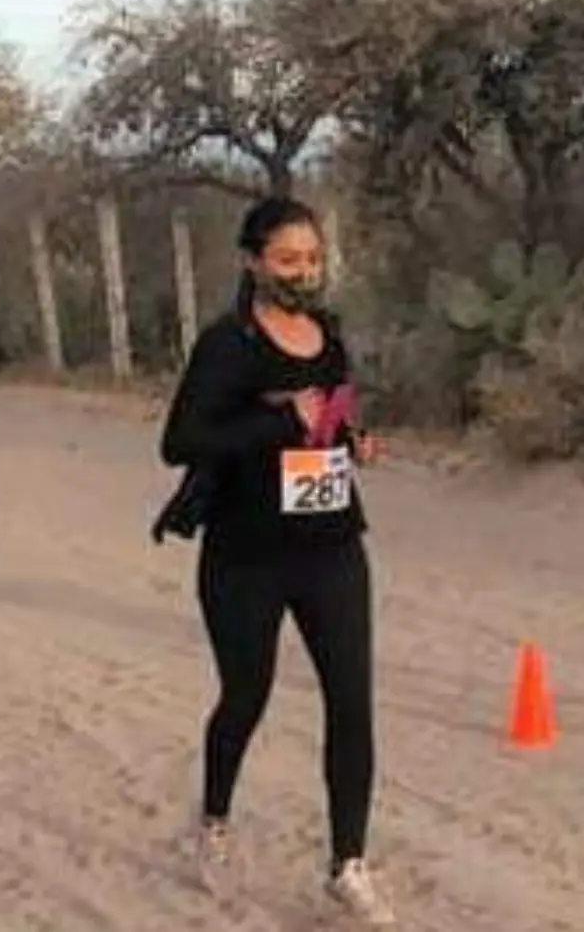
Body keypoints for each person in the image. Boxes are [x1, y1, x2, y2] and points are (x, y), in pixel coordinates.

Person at [156, 195, 394, 926]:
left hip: (330, 546)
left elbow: (332, 416)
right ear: (253, 261)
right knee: (246, 694)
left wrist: (353, 440)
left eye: (313, 259)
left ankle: (347, 864)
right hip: (246, 554)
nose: (303, 272)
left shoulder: (329, 335)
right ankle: (215, 820)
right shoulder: (226, 345)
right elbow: (182, 440)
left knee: (351, 701)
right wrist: (273, 419)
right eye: (288, 259)